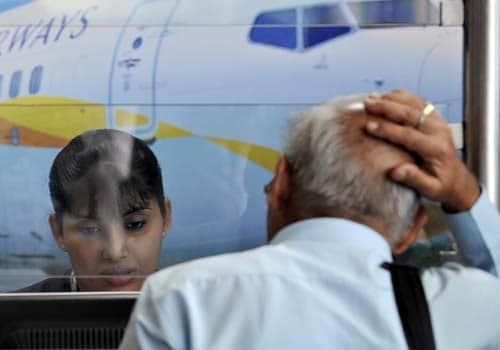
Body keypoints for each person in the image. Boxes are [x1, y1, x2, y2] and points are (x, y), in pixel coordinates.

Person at [120, 91, 500, 349]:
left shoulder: (180, 298)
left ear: (281, 179)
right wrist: (463, 194)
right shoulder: (454, 305)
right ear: (413, 228)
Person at [18, 129, 172, 292]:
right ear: (58, 231)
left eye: (135, 224)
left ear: (166, 217)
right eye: (91, 229)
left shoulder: (196, 310)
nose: (115, 252)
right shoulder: (13, 313)